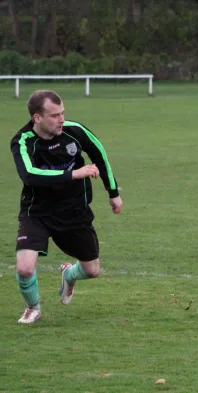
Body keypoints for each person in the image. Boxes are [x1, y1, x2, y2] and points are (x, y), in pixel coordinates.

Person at [10, 90, 123, 324]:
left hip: (74, 211)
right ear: (37, 118)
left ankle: (68, 274)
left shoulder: (75, 131)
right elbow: (30, 175)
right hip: (37, 213)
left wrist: (113, 193)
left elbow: (99, 155)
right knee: (24, 268)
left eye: (63, 113)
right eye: (54, 115)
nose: (61, 119)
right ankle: (33, 308)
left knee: (92, 271)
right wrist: (73, 174)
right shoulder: (23, 141)